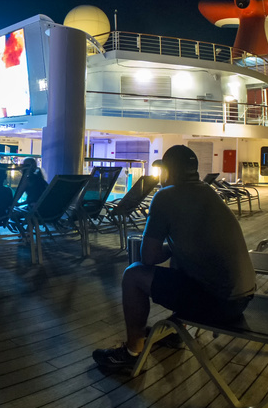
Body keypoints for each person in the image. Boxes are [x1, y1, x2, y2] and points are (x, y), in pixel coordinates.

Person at [92, 145, 255, 372]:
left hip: (218, 304)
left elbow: (147, 258)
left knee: (133, 275)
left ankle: (132, 353)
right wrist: (174, 248)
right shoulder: (209, 193)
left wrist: (168, 248)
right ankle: (176, 333)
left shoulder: (165, 197)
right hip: (242, 300)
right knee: (183, 261)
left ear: (168, 172)